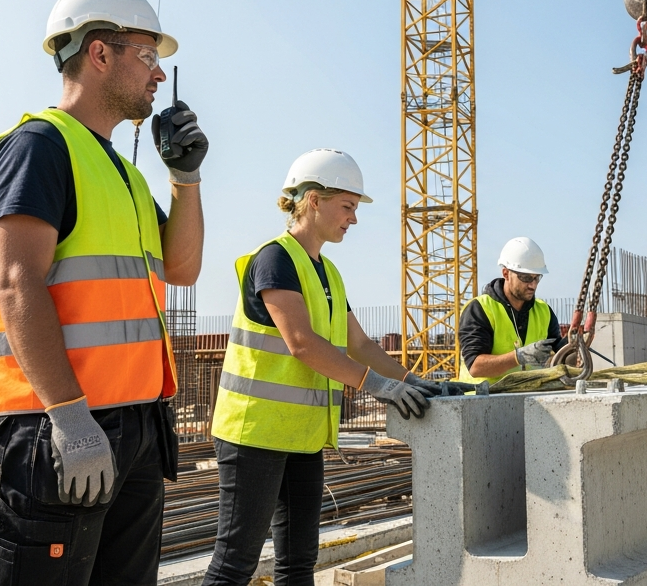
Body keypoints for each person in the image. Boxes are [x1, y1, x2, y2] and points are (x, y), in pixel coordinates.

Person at [0, 0, 208, 585]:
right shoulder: (38, 148)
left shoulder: (122, 174)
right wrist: (70, 416)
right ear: (100, 53)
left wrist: (185, 179)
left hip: (132, 425)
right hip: (57, 426)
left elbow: (180, 268)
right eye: (148, 56)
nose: (160, 77)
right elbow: (17, 283)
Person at [202, 149, 438, 586]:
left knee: (297, 563)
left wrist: (413, 381)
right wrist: (377, 386)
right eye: (347, 206)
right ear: (314, 199)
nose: (353, 218)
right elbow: (302, 343)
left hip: (302, 438)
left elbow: (361, 344)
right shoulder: (275, 259)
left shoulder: (328, 272)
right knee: (235, 563)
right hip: (254, 435)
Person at [455, 237, 562, 384]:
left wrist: (575, 346)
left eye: (537, 278)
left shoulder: (544, 311)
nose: (533, 285)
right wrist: (518, 357)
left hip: (526, 400)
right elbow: (475, 366)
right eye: (526, 278)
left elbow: (562, 357)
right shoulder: (480, 309)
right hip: (481, 402)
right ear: (506, 274)